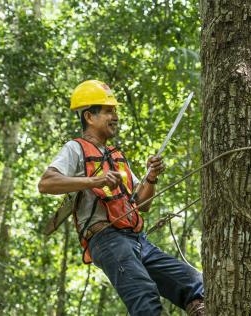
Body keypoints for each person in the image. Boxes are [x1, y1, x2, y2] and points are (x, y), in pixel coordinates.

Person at [38, 80, 205, 316]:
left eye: (115, 110)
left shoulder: (117, 156)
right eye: (108, 111)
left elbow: (143, 204)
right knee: (145, 300)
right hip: (106, 239)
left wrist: (152, 177)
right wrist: (95, 181)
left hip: (137, 239)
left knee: (194, 284)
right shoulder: (75, 149)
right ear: (89, 116)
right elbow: (46, 183)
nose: (115, 116)